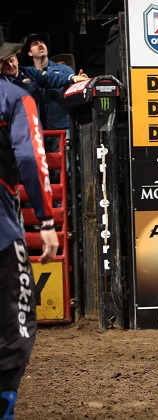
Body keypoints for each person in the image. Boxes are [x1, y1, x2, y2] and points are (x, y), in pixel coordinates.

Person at [0, 32, 59, 420]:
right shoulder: (13, 97)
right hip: (1, 232)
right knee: (14, 324)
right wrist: (46, 219)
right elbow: (31, 157)